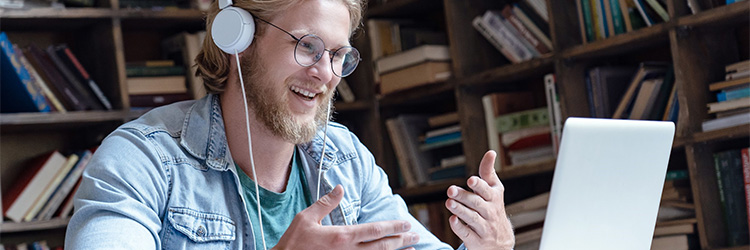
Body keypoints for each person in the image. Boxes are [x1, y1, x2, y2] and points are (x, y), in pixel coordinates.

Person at [65, 0, 515, 249]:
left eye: (338, 55)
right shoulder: (142, 160)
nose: (326, 73)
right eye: (307, 46)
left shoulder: (345, 159)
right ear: (238, 39)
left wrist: (488, 248)